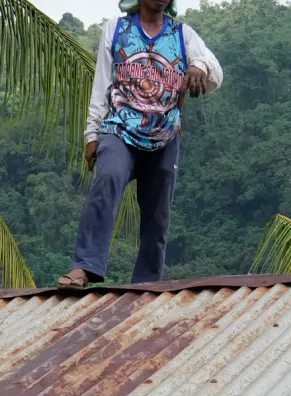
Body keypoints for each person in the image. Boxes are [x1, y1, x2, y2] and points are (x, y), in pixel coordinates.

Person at [58, 0, 220, 288]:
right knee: (108, 176)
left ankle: (146, 283)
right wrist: (92, 135)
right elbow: (102, 84)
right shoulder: (117, 29)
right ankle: (84, 266)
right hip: (119, 129)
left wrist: (198, 65)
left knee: (158, 212)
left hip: (165, 136)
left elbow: (216, 74)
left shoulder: (183, 35)